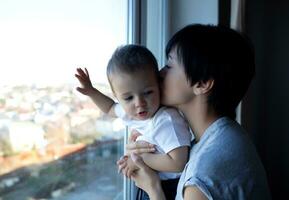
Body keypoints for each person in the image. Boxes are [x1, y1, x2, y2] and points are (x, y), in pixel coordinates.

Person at [118, 24, 271, 200]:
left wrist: (152, 188)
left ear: (203, 83)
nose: (159, 74)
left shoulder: (203, 176)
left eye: (169, 65)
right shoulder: (226, 135)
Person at [75, 44, 192, 200]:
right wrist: (91, 91)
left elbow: (178, 163)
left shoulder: (166, 120)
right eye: (128, 98)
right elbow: (110, 108)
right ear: (117, 96)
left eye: (148, 92)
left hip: (170, 187)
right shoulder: (130, 113)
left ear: (159, 85)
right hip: (150, 182)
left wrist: (137, 160)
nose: (139, 103)